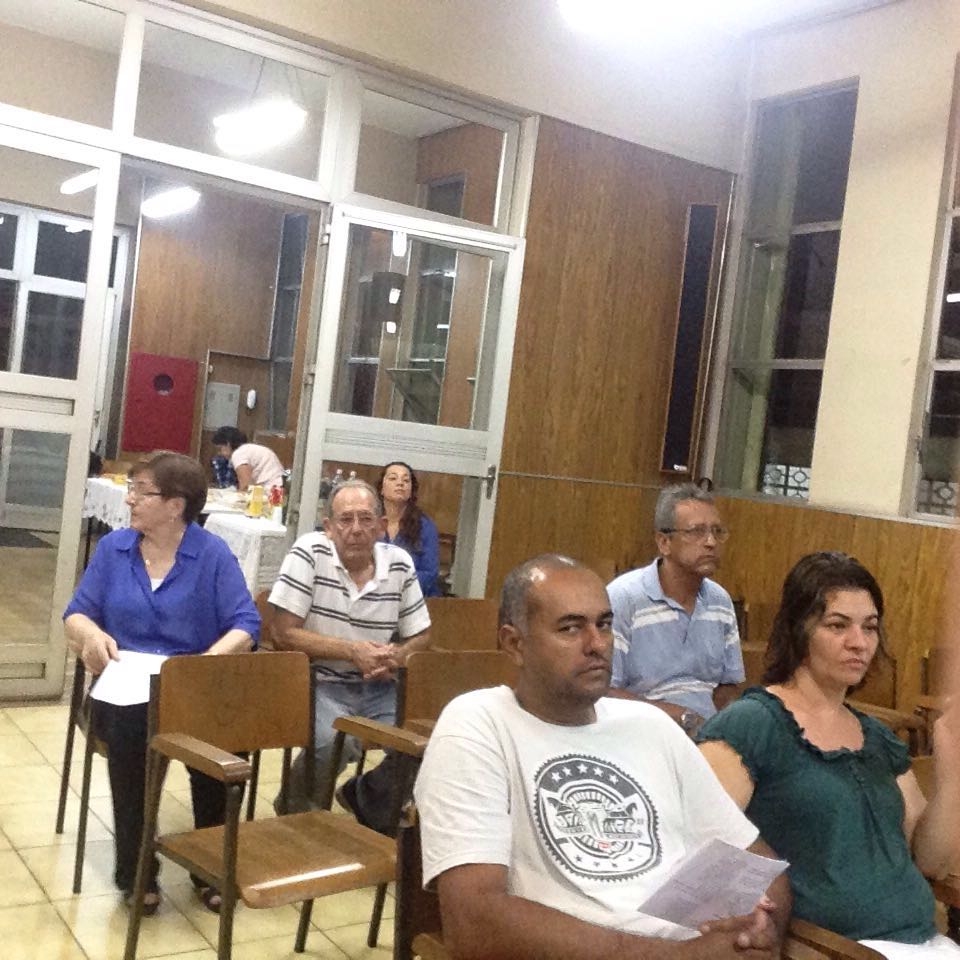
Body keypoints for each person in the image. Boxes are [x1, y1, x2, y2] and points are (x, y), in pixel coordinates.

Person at [415, 554, 790, 960]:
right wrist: (682, 957)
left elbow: (756, 861)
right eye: (570, 628)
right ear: (514, 643)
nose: (597, 645)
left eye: (605, 625)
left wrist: (760, 928)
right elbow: (474, 924)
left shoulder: (651, 725)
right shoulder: (479, 724)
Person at [698, 552, 960, 959]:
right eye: (838, 625)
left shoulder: (877, 738)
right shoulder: (752, 724)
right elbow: (700, 844)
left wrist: (952, 771)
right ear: (798, 631)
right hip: (832, 949)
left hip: (923, 943)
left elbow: (930, 861)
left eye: (869, 627)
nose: (859, 642)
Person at [63, 452, 260, 915]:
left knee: (220, 745)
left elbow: (246, 623)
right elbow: (76, 613)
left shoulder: (212, 554)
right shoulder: (114, 550)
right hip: (124, 687)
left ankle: (208, 865)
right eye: (131, 489)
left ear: (175, 505)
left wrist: (204, 665)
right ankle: (136, 870)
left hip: (193, 683)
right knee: (132, 738)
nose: (129, 499)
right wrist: (91, 635)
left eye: (141, 491)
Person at [268, 478, 431, 830]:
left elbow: (422, 635)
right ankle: (297, 815)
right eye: (345, 519)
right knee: (333, 742)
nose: (356, 529)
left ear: (381, 525)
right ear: (328, 527)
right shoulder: (309, 553)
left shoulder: (399, 563)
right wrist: (351, 651)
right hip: (318, 681)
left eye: (365, 519)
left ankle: (367, 795)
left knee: (429, 744)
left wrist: (396, 656)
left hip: (381, 684)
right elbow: (281, 633)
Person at [608, 483, 744, 733]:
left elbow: (729, 686)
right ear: (664, 542)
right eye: (696, 532)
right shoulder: (624, 597)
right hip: (641, 731)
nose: (711, 542)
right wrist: (681, 718)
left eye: (717, 531)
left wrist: (722, 729)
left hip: (706, 735)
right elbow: (605, 691)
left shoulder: (720, 601)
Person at [377, 460, 441, 597]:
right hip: (375, 596)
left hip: (415, 598)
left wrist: (394, 583)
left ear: (411, 491)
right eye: (393, 478)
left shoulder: (425, 526)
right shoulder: (370, 523)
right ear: (381, 488)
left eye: (406, 480)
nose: (400, 483)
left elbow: (429, 574)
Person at [212, 426, 284, 493]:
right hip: (277, 487)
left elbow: (246, 486)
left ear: (228, 444)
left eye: (220, 449)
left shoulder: (238, 454)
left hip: (270, 490)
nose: (219, 453)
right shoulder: (248, 449)